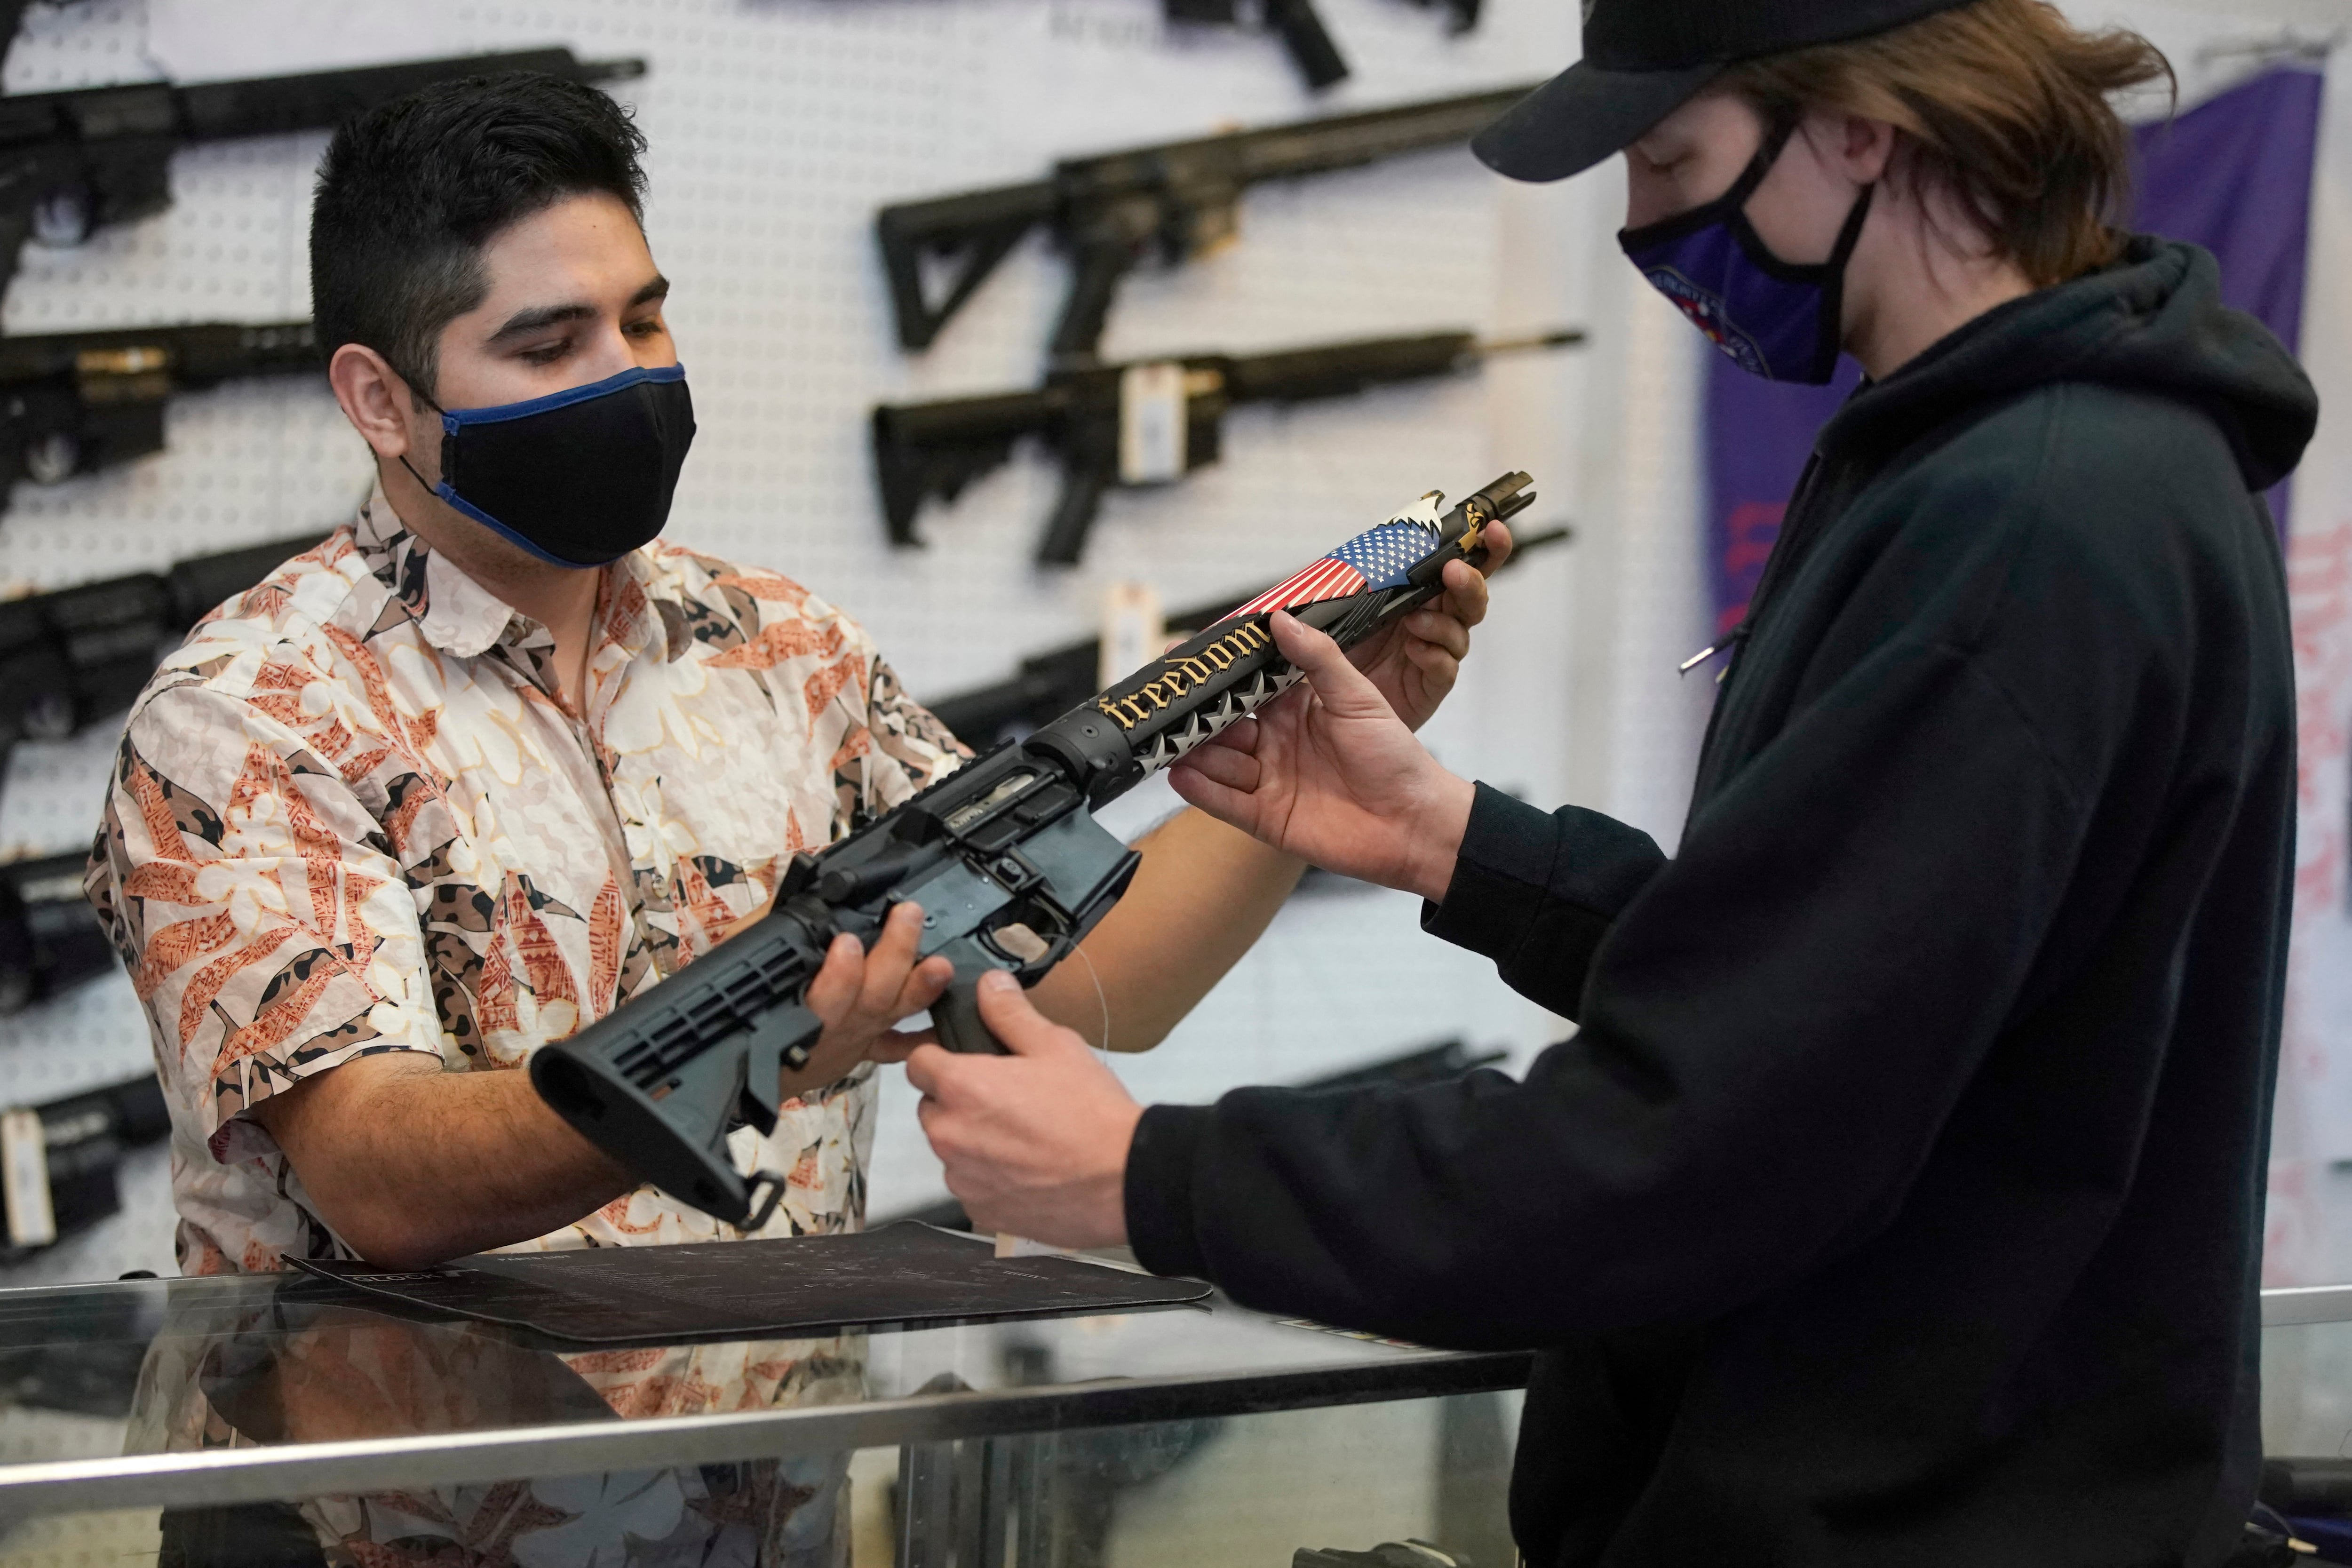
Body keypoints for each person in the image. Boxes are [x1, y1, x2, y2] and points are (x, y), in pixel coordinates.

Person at [895, 0, 2321, 1562]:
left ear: (1861, 125)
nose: (1645, 223)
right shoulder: (2004, 466)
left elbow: (1708, 1141)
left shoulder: (2027, 523)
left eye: (1670, 156)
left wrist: (1148, 1178)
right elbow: (1854, 996)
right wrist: (1464, 848)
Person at [85, 69, 1500, 1568]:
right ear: (380, 398)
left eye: (642, 319)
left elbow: (1098, 975)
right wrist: (737, 1059)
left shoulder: (783, 650)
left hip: (763, 1520)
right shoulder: (251, 710)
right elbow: (375, 1173)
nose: (625, 373)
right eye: (545, 342)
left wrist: (1297, 784)